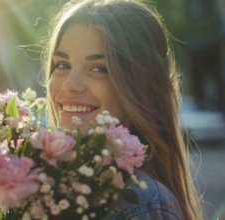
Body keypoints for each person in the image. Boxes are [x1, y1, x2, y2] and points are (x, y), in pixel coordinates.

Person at [42, 0, 204, 219]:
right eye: (62, 65)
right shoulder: (45, 184)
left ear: (142, 85)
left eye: (98, 68)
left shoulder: (140, 199)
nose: (70, 84)